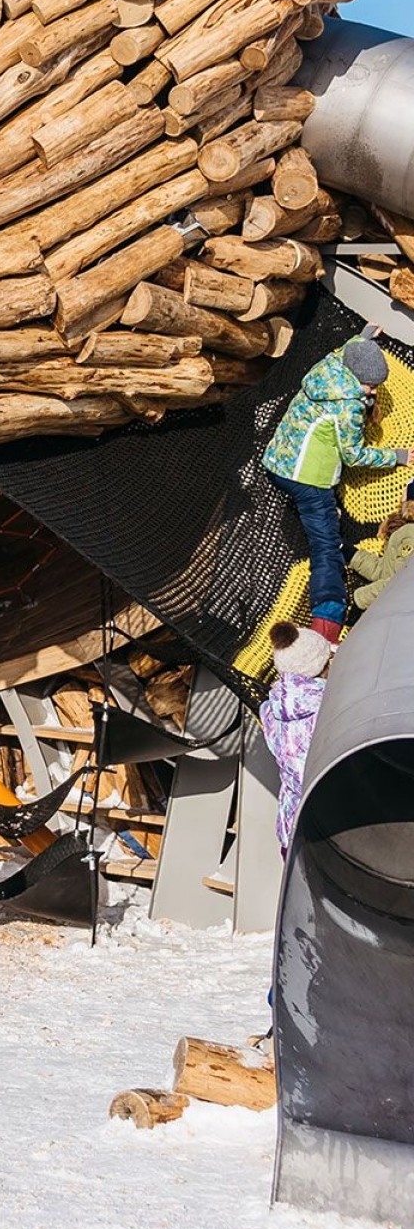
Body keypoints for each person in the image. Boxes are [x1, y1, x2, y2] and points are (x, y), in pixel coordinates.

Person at [262, 333, 409, 641]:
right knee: (326, 546)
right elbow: (353, 455)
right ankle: (327, 618)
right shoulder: (348, 406)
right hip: (309, 479)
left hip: (278, 460)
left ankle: (328, 523)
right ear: (358, 379)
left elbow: (345, 348)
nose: (372, 392)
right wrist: (397, 456)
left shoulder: (329, 367)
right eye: (369, 386)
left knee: (324, 522)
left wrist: (364, 336)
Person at [261, 620, 333, 860]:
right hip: (326, 826)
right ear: (321, 667)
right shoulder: (327, 704)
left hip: (291, 826)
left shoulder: (272, 709)